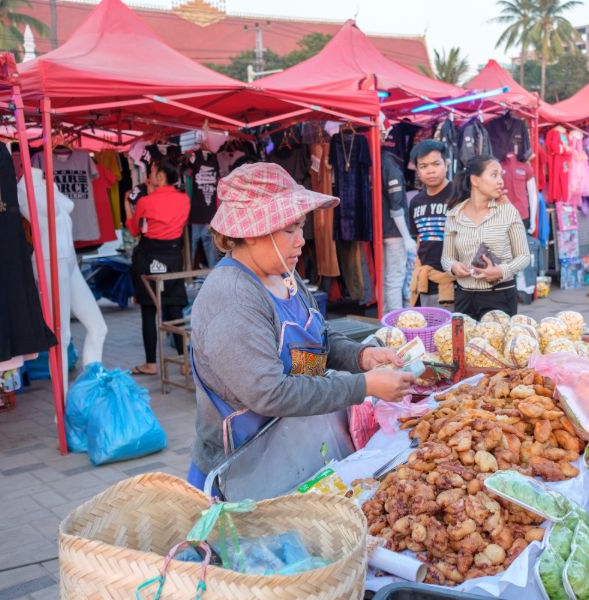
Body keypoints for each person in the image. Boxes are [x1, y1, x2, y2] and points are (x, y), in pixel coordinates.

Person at [187, 162, 415, 490]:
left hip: (295, 449)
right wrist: (364, 386)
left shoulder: (285, 275)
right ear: (251, 232)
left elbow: (318, 336)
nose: (301, 241)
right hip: (242, 472)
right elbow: (270, 393)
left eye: (301, 226)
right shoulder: (232, 297)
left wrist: (361, 357)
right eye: (289, 229)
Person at [441, 155, 531, 319]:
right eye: (494, 175)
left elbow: (524, 257)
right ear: (475, 180)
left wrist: (501, 270)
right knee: (466, 344)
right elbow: (446, 258)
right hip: (464, 298)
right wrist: (454, 266)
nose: (501, 181)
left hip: (501, 296)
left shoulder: (508, 211)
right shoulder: (454, 215)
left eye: (501, 176)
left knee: (497, 344)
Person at [127, 158, 190, 376]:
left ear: (161, 177)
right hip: (173, 258)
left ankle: (151, 364)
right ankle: (184, 362)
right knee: (175, 308)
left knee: (148, 310)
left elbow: (135, 230)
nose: (150, 176)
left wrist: (128, 206)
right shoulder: (184, 200)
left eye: (153, 172)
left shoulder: (145, 201)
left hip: (148, 259)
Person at [408, 140, 455, 308]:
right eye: (424, 166)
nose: (431, 170)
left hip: (456, 281)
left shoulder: (459, 195)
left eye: (436, 164)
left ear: (446, 164)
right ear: (417, 170)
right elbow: (420, 239)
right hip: (427, 280)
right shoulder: (415, 202)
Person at [381, 148, 416, 314]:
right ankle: (395, 323)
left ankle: (387, 318)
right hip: (395, 231)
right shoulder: (390, 165)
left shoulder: (379, 162)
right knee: (395, 278)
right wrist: (407, 237)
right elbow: (396, 205)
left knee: (387, 278)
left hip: (384, 230)